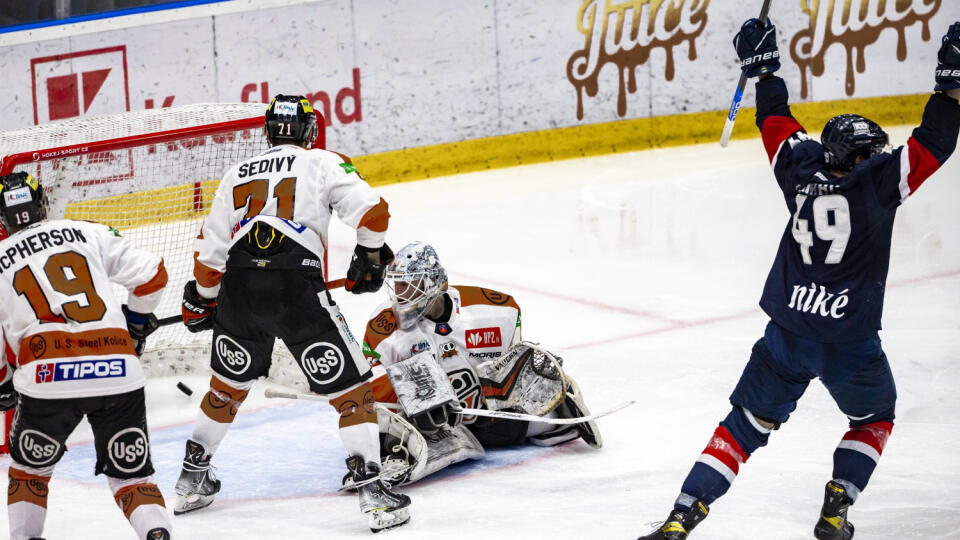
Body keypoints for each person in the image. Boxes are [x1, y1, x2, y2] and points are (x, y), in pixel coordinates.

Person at [638, 19, 960, 540]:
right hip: (849, 340)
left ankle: (681, 517)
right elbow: (936, 140)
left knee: (742, 427)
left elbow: (775, 118)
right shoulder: (879, 185)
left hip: (786, 333)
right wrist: (950, 81)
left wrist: (764, 67)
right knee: (875, 416)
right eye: (872, 151)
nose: (880, 155)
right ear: (858, 159)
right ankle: (836, 507)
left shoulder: (799, 169)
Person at [174, 95, 410, 532]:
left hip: (239, 289)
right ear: (308, 130)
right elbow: (375, 213)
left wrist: (203, 300)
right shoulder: (321, 161)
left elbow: (209, 259)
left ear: (268, 130)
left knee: (225, 388)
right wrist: (369, 257)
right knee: (353, 392)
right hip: (295, 289)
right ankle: (374, 493)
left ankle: (190, 480)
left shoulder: (236, 173)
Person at [0, 171, 172, 540]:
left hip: (47, 379)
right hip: (117, 371)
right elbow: (153, 276)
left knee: (29, 472)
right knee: (132, 477)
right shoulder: (87, 230)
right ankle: (157, 534)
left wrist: (2, 381)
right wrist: (137, 326)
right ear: (43, 204)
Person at [357, 242, 601, 486]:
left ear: (432, 282)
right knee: (385, 431)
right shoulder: (384, 327)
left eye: (407, 283)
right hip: (426, 418)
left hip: (475, 409)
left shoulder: (492, 310)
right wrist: (411, 403)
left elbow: (509, 362)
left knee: (496, 425)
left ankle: (558, 404)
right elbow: (372, 392)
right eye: (396, 283)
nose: (399, 292)